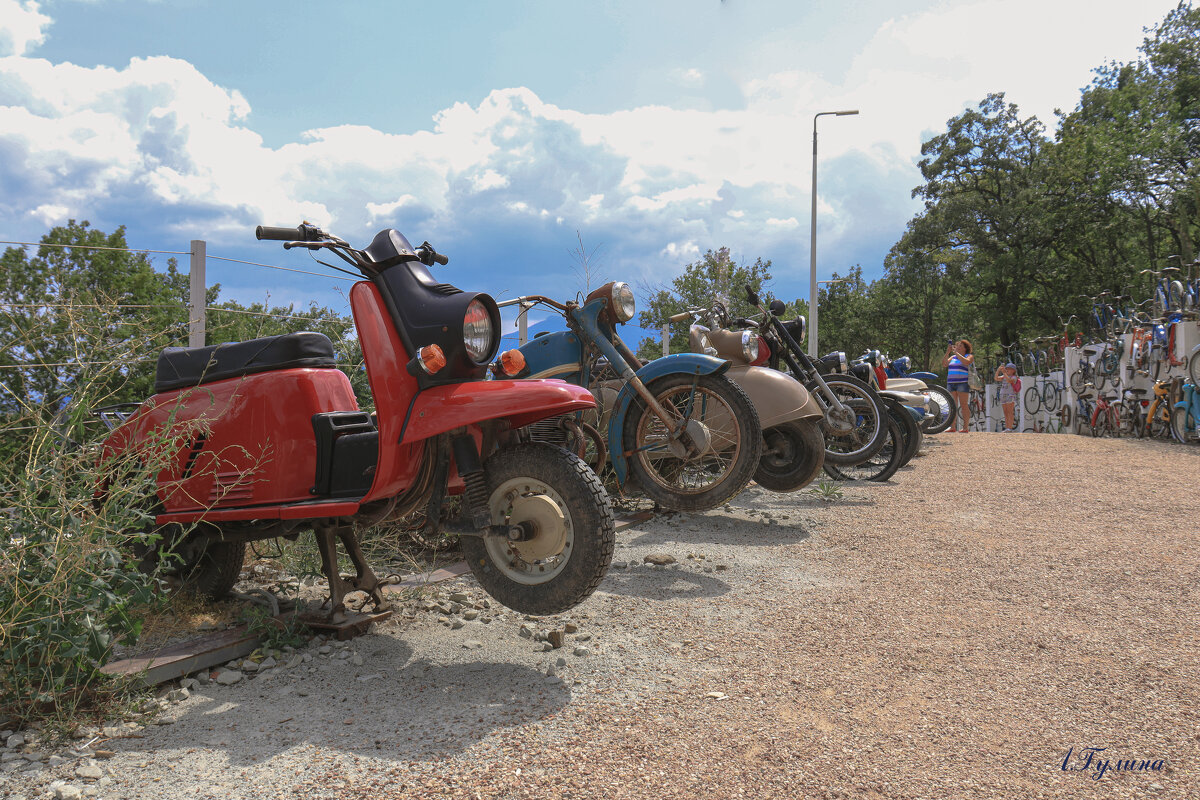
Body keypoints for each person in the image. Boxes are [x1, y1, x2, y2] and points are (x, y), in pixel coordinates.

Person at [942, 338, 974, 432]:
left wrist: (956, 353)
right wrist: (948, 352)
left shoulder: (969, 356)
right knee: (953, 405)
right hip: (951, 383)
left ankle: (965, 427)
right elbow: (944, 364)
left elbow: (966, 362)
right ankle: (952, 427)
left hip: (962, 383)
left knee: (964, 405)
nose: (958, 347)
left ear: (965, 348)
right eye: (957, 345)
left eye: (960, 346)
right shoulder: (953, 357)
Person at [994, 362, 1021, 431]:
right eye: (1007, 369)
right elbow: (996, 378)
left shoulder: (1014, 377)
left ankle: (1010, 427)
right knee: (1005, 412)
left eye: (1009, 369)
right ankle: (1007, 427)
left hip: (1010, 395)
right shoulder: (1004, 377)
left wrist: (1004, 373)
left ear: (1013, 371)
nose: (1007, 370)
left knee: (1010, 412)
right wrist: (998, 370)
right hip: (1003, 395)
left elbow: (1009, 380)